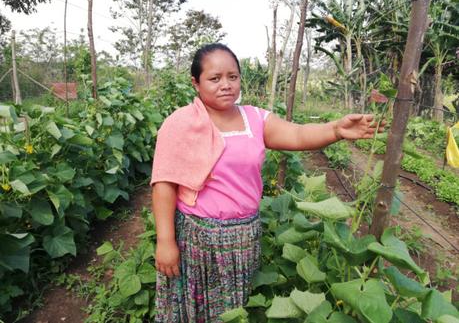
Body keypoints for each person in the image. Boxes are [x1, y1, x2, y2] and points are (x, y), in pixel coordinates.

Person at [150, 43, 384, 322]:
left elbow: (297, 135)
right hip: (198, 239)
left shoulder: (254, 119)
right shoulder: (181, 123)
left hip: (244, 238)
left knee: (235, 309)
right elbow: (164, 183)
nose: (226, 85)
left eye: (233, 77)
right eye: (214, 78)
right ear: (196, 83)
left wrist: (336, 129)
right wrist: (166, 241)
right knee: (194, 307)